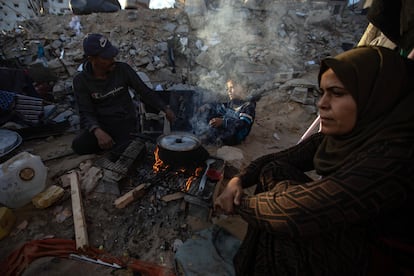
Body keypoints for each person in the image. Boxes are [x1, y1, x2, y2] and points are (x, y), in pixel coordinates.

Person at [214, 46, 414, 275]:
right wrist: (239, 179)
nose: (322, 104)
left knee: (281, 217)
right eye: (322, 93)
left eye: (337, 93)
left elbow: (298, 213)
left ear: (377, 96)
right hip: (351, 234)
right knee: (273, 172)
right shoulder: (358, 134)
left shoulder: (396, 156)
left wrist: (239, 204)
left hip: (378, 260)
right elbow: (287, 157)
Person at [71, 33, 175, 155]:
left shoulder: (122, 70)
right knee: (78, 145)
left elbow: (144, 92)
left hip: (125, 123)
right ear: (91, 59)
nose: (112, 60)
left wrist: (164, 108)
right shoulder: (81, 81)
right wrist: (97, 131)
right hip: (102, 125)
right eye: (106, 58)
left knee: (126, 153)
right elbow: (85, 112)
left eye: (112, 56)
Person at [192, 78, 256, 146]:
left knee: (212, 136)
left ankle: (210, 139)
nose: (229, 91)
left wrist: (223, 122)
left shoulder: (248, 106)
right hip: (225, 129)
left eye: (232, 88)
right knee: (207, 116)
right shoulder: (232, 103)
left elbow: (243, 123)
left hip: (235, 136)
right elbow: (219, 107)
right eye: (228, 89)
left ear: (242, 87)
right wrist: (207, 106)